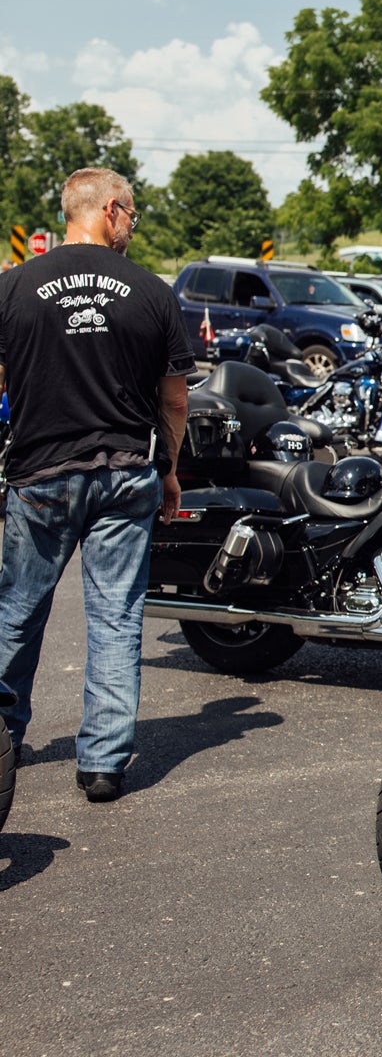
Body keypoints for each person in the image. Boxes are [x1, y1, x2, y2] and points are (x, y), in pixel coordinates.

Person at [0, 168, 193, 803]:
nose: (133, 226)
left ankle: (2, 743)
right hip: (123, 474)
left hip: (40, 476)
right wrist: (167, 469)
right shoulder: (154, 293)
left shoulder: (14, 287)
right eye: (132, 215)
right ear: (110, 210)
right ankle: (103, 763)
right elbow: (175, 401)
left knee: (18, 614)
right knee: (115, 617)